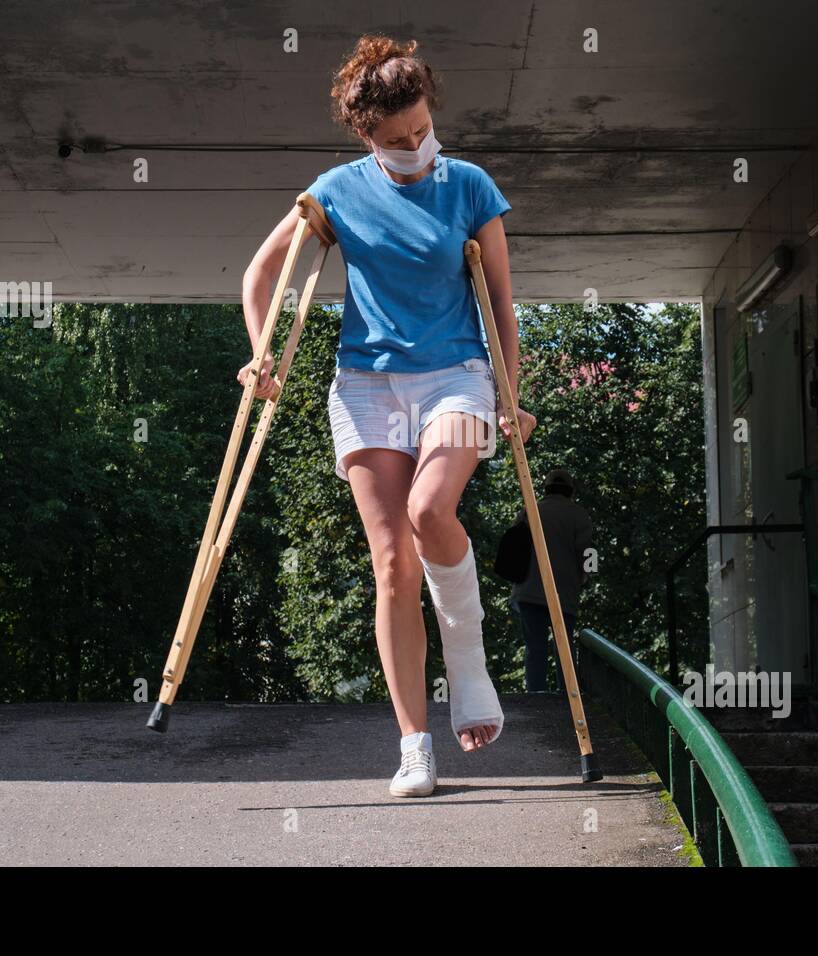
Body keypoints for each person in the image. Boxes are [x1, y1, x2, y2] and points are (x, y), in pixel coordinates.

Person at [240, 35, 533, 798]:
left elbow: (500, 300)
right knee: (394, 565)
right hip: (366, 386)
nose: (416, 148)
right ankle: (413, 746)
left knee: (431, 511)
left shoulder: (469, 185)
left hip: (459, 379)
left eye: (423, 130)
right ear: (366, 133)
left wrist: (511, 397)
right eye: (398, 139)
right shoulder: (337, 190)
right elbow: (262, 272)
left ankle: (467, 665)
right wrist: (261, 356)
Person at [510, 469, 593, 694]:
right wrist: (585, 577)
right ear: (571, 490)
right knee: (564, 647)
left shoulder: (529, 511)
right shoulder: (579, 515)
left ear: (546, 488)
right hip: (564, 591)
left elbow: (514, 549)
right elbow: (587, 554)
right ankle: (567, 694)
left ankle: (535, 695)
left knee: (534, 647)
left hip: (528, 590)